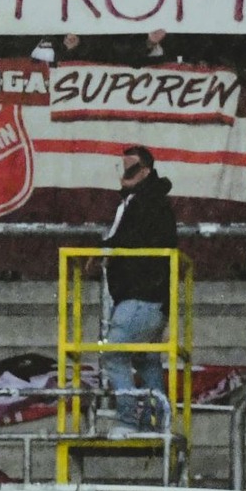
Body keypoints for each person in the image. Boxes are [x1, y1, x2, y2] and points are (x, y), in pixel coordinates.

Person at [101, 145, 178, 437]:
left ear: (144, 171)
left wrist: (104, 252)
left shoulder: (145, 203)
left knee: (114, 354)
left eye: (130, 169)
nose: (123, 175)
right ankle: (157, 423)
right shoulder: (150, 201)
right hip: (151, 298)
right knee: (146, 359)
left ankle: (131, 420)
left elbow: (127, 240)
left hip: (139, 295)